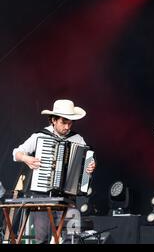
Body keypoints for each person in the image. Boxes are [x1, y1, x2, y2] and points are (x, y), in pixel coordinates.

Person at [12, 99, 96, 244]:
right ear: (53, 120)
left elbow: (87, 162)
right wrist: (26, 158)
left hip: (68, 198)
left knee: (72, 236)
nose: (67, 127)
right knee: (42, 238)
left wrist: (90, 166)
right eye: (63, 122)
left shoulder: (77, 139)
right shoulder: (40, 135)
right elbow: (16, 153)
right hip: (42, 197)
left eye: (70, 123)